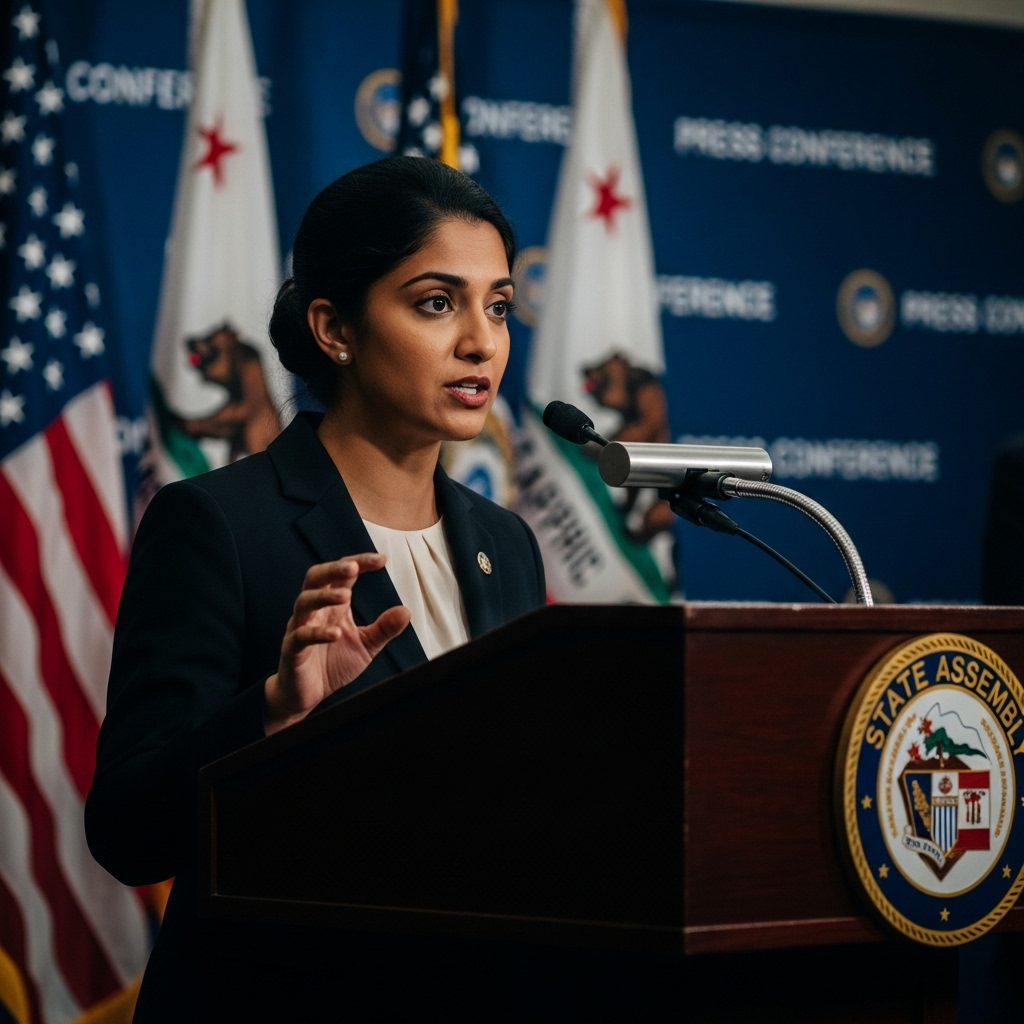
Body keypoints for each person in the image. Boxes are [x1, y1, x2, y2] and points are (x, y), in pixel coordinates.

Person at [85, 157, 546, 1020]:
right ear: (334, 327)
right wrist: (269, 710)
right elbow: (125, 829)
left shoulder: (505, 543)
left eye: (499, 305)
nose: (482, 342)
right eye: (436, 303)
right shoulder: (218, 523)